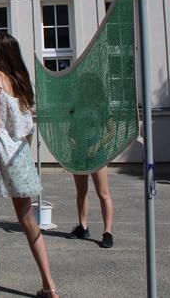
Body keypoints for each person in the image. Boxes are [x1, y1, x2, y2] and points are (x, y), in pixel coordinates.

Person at [0, 33, 58, 298]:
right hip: (20, 154)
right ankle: (49, 286)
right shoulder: (21, 84)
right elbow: (28, 126)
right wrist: (23, 157)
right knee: (28, 219)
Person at [67, 72, 114, 248]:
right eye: (82, 85)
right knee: (81, 192)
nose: (83, 88)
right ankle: (83, 226)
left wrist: (96, 146)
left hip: (97, 154)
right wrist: (71, 142)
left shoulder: (101, 106)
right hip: (79, 154)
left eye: (86, 85)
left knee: (103, 193)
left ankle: (107, 232)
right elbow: (71, 131)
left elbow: (111, 132)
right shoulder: (77, 106)